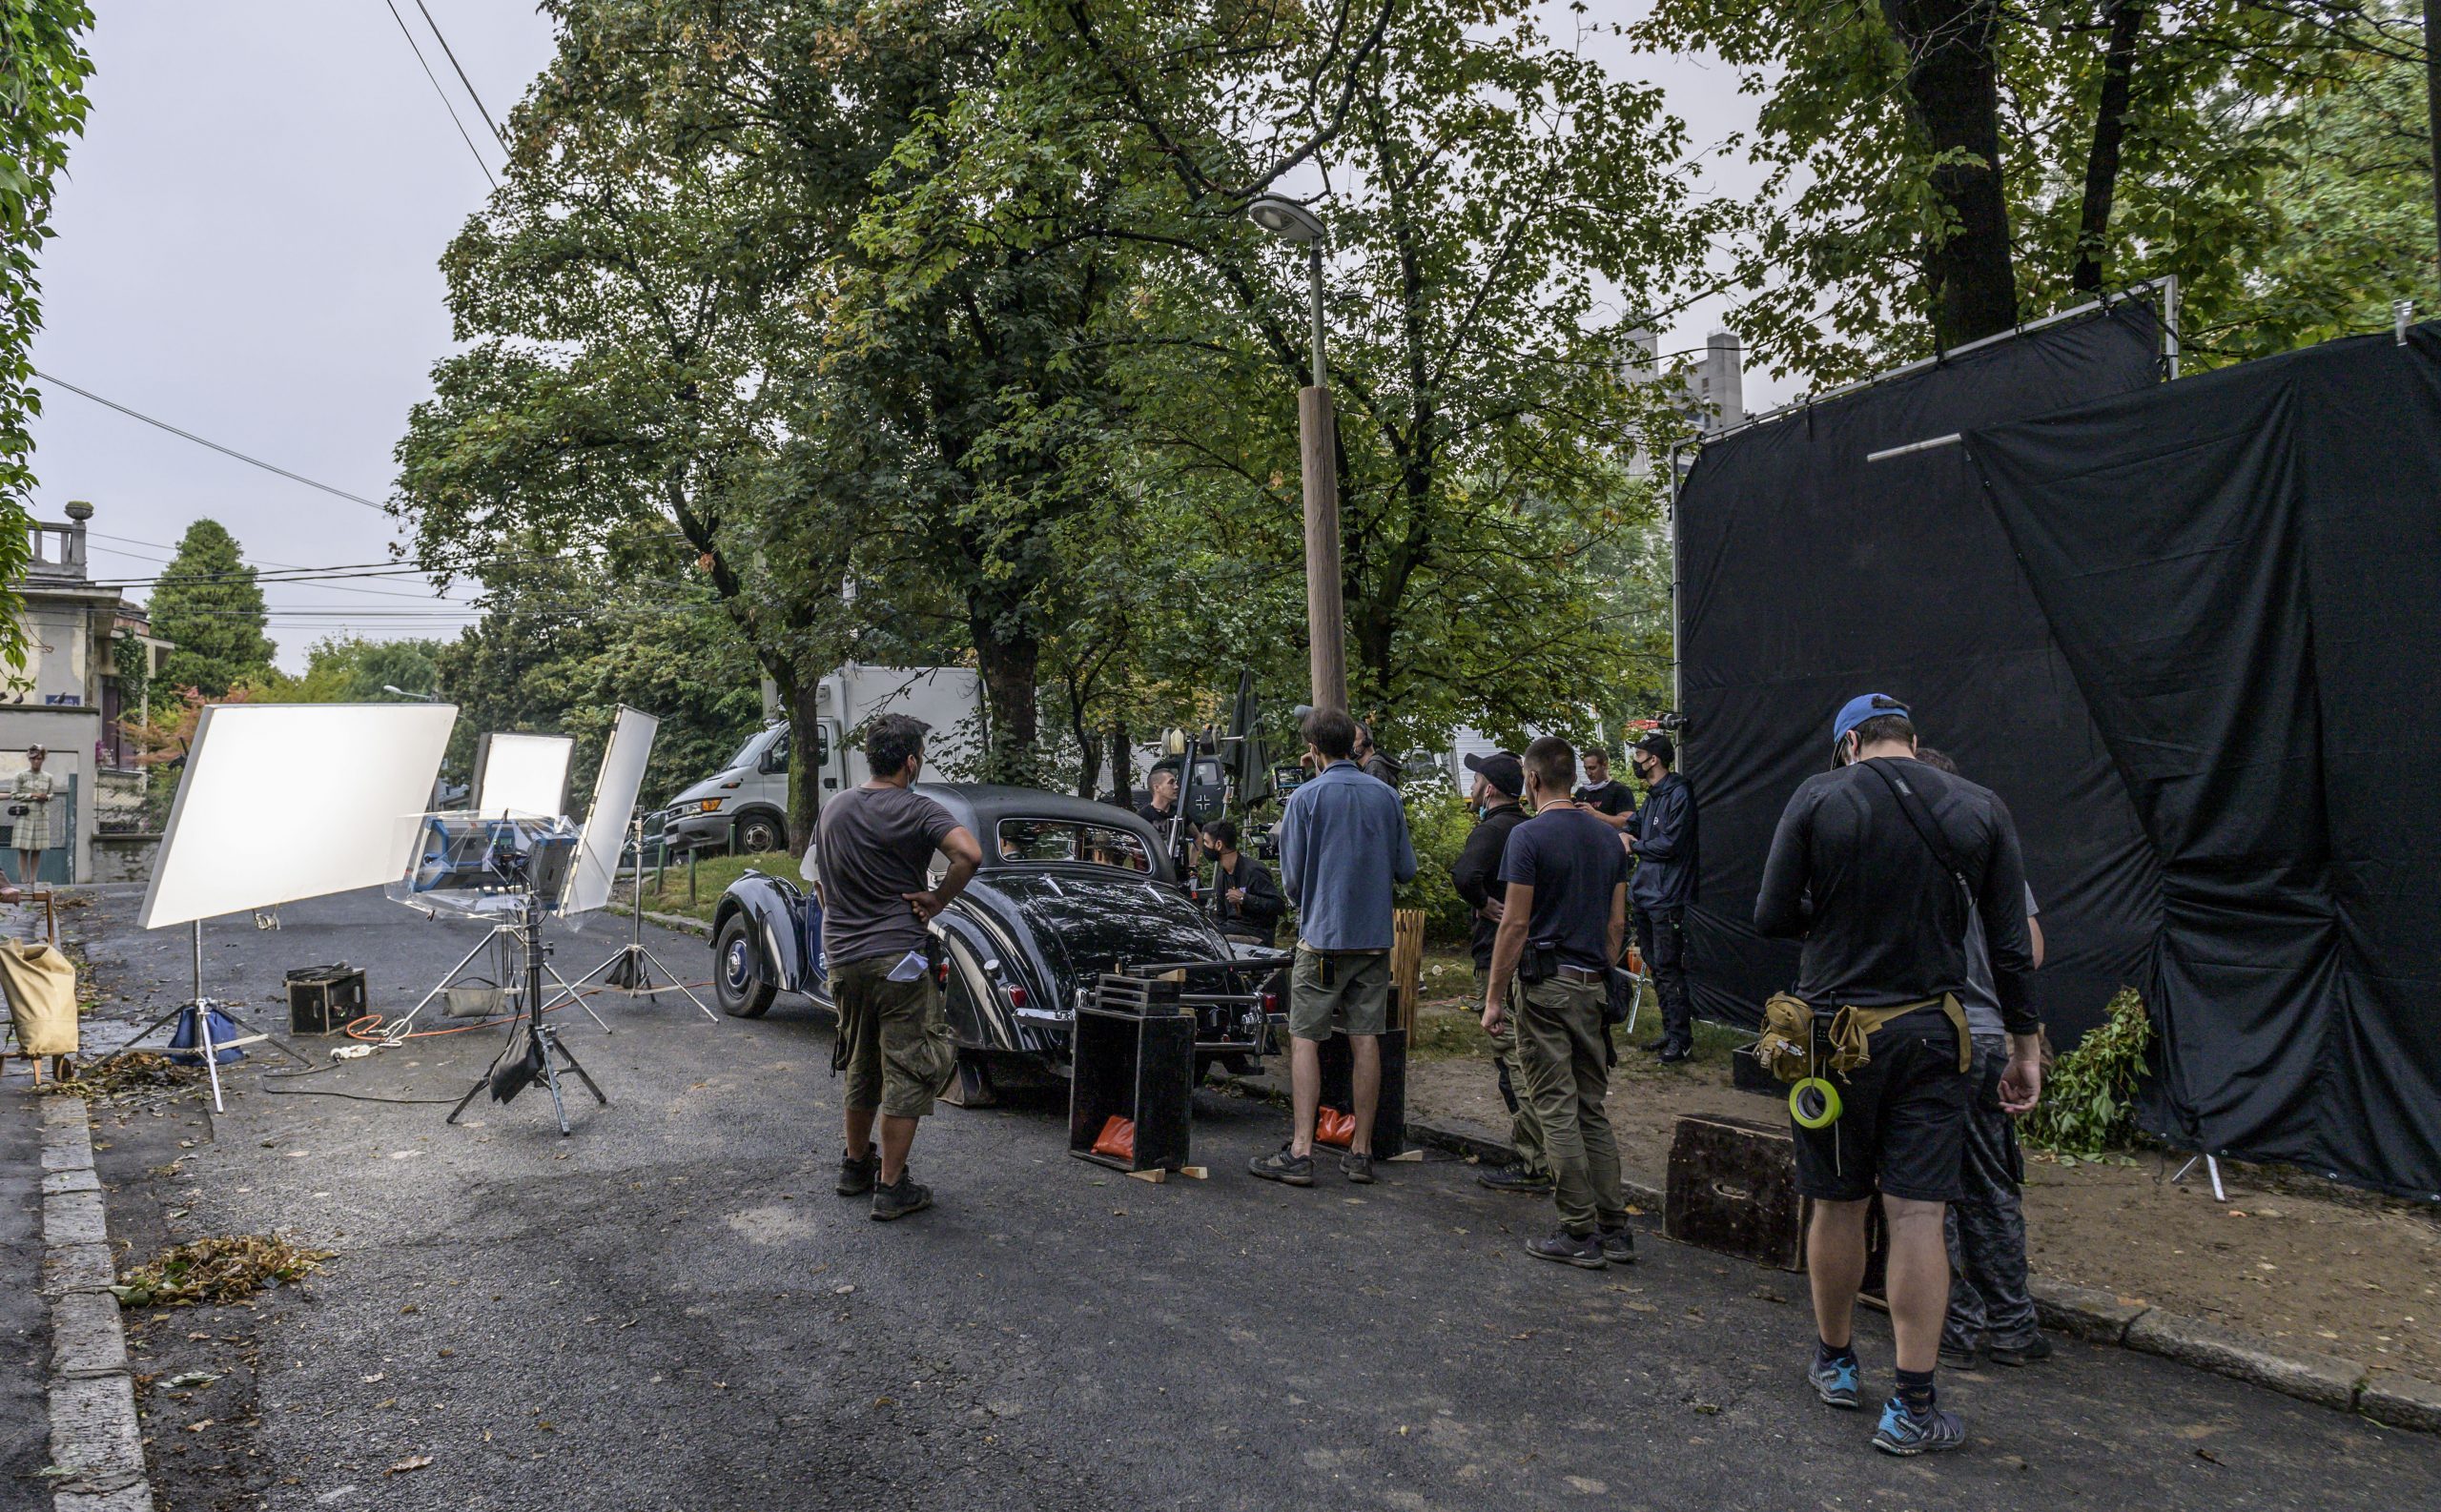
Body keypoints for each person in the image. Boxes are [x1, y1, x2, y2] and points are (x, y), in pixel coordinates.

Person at [1754, 694, 2041, 1457]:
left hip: (1830, 1038)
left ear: (1850, 744)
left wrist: (1836, 912)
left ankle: (1836, 1363)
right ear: (1912, 738)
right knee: (1917, 1215)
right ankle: (1912, 1406)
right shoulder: (1981, 807)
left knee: (1836, 1203)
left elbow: (1771, 915)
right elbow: (2012, 948)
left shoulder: (1818, 796)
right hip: (1931, 1035)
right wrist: (2026, 1047)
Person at [812, 714, 984, 1221]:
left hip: (843, 958)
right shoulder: (917, 808)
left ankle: (855, 1166)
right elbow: (969, 854)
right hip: (899, 961)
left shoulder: (834, 808)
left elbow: (818, 883)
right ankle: (891, 1187)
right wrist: (937, 899)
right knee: (907, 1066)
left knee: (861, 1059)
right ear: (910, 761)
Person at [1916, 748, 2052, 1371]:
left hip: (1936, 1036)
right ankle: (2014, 1326)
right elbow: (2031, 950)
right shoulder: (1992, 850)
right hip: (1993, 1037)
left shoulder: (1909, 852)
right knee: (1993, 1187)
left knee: (1931, 1191)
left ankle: (1956, 1325)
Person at [1483, 736, 1633, 1268]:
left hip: (1546, 987)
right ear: (1573, 777)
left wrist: (1494, 998)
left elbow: (1514, 924)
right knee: (1591, 1105)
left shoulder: (1527, 836)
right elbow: (1616, 924)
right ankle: (1615, 1227)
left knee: (1554, 1106)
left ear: (1532, 779)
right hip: (1594, 984)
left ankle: (1577, 1230)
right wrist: (1600, 971)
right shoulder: (1609, 840)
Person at [1251, 706, 1416, 1188]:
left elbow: (1293, 881)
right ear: (1354, 745)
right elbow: (1406, 869)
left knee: (1305, 1037)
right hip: (1374, 939)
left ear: (1314, 749)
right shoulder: (1386, 795)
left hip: (1323, 938)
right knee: (1366, 1038)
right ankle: (1361, 1151)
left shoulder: (1305, 798)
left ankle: (1301, 1150)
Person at [1449, 750, 1549, 1195]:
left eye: (1475, 781)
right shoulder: (1529, 827)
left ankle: (1535, 1161)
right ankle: (1538, 1151)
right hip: (1532, 955)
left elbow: (1464, 874)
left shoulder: (1492, 830)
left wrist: (1484, 903)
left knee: (1512, 1058)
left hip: (1497, 956)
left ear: (1489, 789)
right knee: (1528, 1053)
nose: (1471, 788)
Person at [1624, 733, 1699, 1062]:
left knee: (1668, 968)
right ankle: (1670, 1032)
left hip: (1667, 896)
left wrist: (1634, 845)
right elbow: (1635, 825)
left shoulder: (1679, 793)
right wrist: (1619, 832)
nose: (1635, 761)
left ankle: (1681, 1040)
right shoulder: (1653, 795)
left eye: (1639, 755)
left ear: (1653, 759)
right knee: (1656, 966)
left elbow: (1670, 844)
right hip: (1646, 894)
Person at [1200, 818, 1285, 947]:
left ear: (1219, 845)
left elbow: (1278, 906)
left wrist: (1244, 898)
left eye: (1206, 842)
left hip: (1256, 935)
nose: (1204, 847)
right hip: (1231, 930)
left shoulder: (1254, 871)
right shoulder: (1222, 876)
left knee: (1212, 941)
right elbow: (1221, 916)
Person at [10, 745, 56, 887]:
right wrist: (32, 795)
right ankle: (24, 880)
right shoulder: (21, 776)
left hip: (41, 815)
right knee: (23, 849)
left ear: (43, 759)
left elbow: (52, 794)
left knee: (37, 849)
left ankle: (33, 879)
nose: (37, 761)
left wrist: (46, 797)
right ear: (29, 759)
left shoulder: (48, 777)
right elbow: (14, 794)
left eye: (39, 758)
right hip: (25, 815)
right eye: (34, 758)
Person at [1570, 746, 1637, 830]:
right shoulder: (1581, 792)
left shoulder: (1620, 790)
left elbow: (1627, 823)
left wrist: (1595, 814)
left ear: (1605, 765)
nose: (1588, 773)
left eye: (1592, 768)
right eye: (1586, 768)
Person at [1355, 722, 1404, 788]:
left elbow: (1374, 794)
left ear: (1366, 741)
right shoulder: (1365, 767)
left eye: (1354, 740)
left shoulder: (1375, 765)